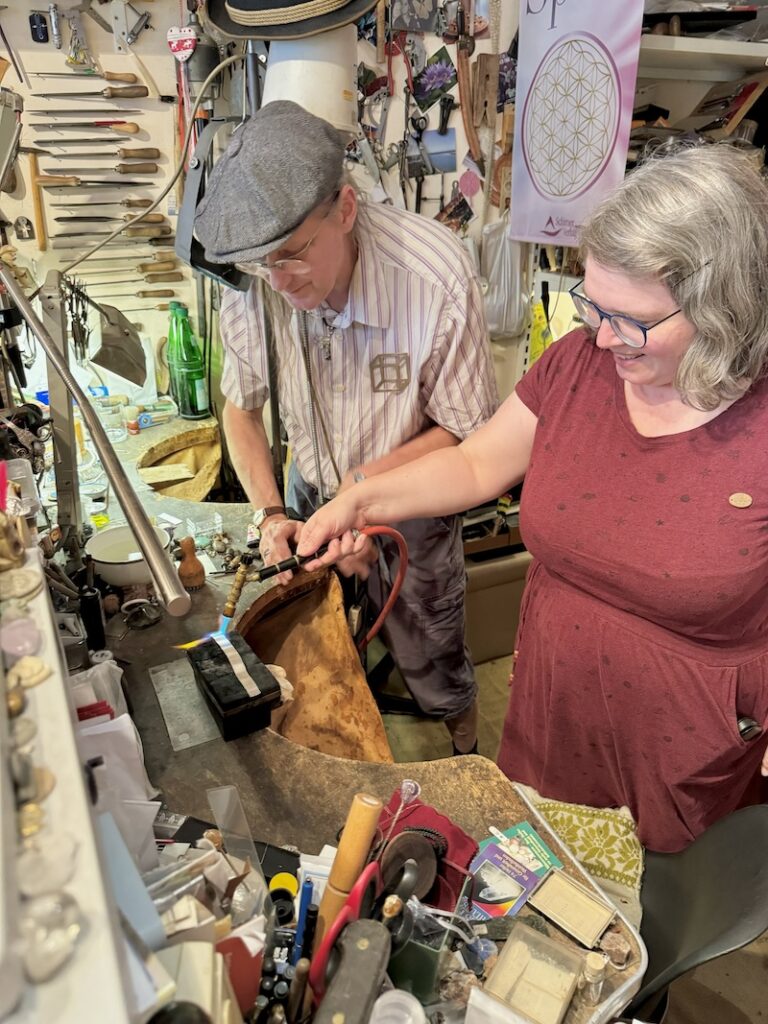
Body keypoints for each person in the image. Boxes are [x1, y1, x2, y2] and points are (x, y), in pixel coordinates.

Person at [297, 143, 768, 853]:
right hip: (557, 709)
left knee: (650, 923)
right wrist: (358, 501)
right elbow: (477, 463)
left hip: (687, 745)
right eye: (593, 306)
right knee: (537, 890)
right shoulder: (578, 365)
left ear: (723, 306)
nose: (604, 338)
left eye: (634, 321)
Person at [194, 101, 498, 754]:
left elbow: (468, 433)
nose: (279, 280)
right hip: (310, 496)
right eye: (260, 264)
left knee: (433, 664)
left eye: (293, 254)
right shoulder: (253, 285)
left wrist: (360, 492)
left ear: (346, 211)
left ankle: (464, 751)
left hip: (414, 500)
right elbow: (240, 410)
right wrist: (273, 515)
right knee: (325, 655)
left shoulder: (435, 274)